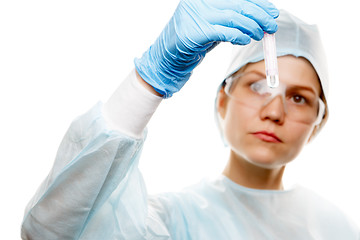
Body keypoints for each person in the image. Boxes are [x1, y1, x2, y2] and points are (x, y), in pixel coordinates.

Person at [21, 0, 359, 239]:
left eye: (299, 98)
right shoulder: (173, 222)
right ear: (222, 101)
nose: (274, 112)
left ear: (319, 122)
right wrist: (150, 81)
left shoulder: (336, 227)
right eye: (258, 86)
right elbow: (52, 232)